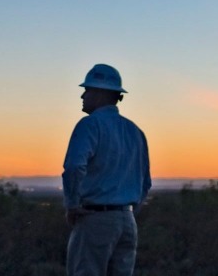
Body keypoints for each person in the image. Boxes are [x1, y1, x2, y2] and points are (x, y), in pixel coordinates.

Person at [63, 64, 152, 276]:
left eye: (88, 90)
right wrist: (129, 212)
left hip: (95, 219)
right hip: (127, 223)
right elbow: (145, 183)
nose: (83, 95)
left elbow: (75, 166)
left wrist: (72, 205)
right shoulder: (135, 132)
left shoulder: (89, 125)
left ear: (102, 93)